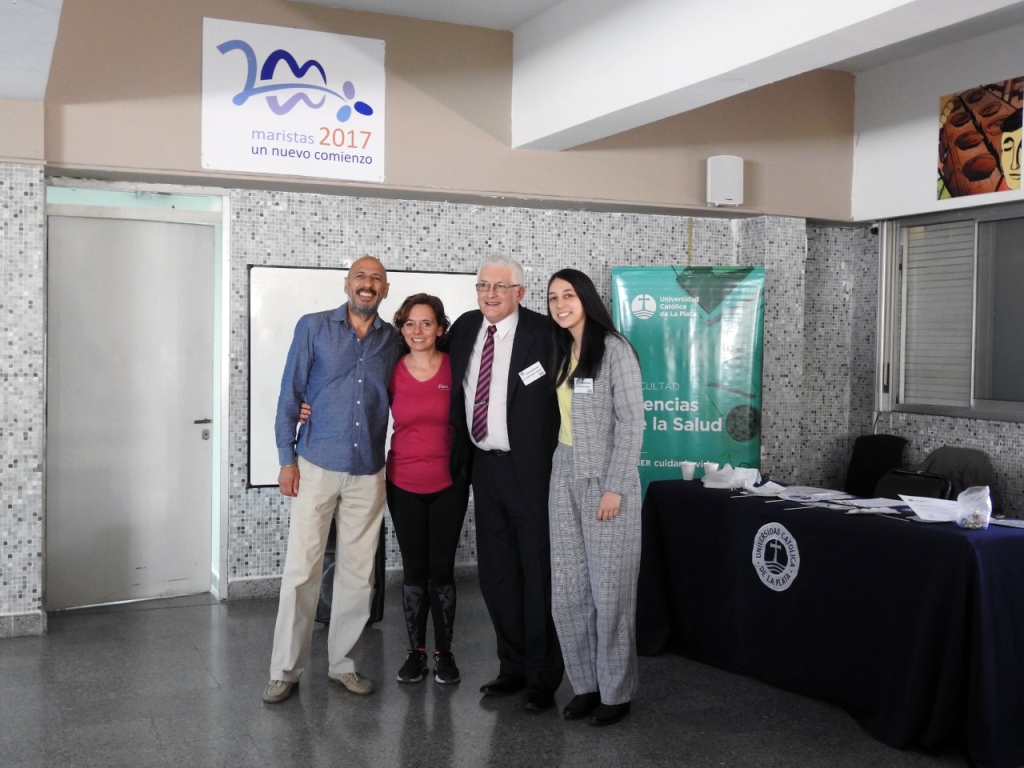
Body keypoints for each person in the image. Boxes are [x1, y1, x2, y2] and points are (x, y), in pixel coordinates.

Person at [263, 256, 400, 704]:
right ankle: (285, 669)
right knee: (303, 569)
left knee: (359, 576)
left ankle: (344, 664)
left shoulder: (393, 341)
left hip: (368, 471)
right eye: (361, 276)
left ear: (385, 291)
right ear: (347, 284)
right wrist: (286, 458)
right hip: (317, 463)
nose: (368, 284)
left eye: (376, 279)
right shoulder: (313, 327)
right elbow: (291, 393)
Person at [448, 255, 565, 712]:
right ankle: (511, 667)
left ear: (521, 292)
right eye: (483, 286)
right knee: (497, 574)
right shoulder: (463, 329)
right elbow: (418, 361)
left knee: (536, 573)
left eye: (500, 287)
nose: (490, 295)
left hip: (532, 470)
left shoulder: (545, 333)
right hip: (484, 468)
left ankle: (542, 676)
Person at [545, 268, 644, 727]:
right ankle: (585, 684)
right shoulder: (563, 349)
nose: (560, 303)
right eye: (552, 297)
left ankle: (616, 692)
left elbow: (632, 423)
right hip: (563, 472)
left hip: (605, 479)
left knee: (610, 593)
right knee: (567, 592)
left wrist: (615, 487)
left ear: (586, 298)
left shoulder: (614, 350)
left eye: (568, 295)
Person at [384, 294, 470, 685]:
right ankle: (416, 652)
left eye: (426, 323)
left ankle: (445, 653)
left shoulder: (457, 368)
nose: (417, 331)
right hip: (403, 483)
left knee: (442, 571)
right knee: (415, 571)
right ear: (401, 329)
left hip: (449, 483)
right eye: (409, 324)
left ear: (440, 328)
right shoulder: (390, 370)